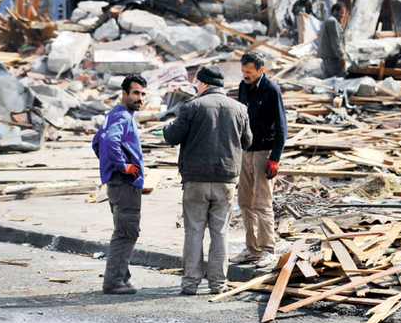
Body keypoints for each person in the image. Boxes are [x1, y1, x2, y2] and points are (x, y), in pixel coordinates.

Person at [164, 65, 252, 295]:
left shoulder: (192, 106)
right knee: (220, 232)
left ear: (203, 84)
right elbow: (248, 141)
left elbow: (172, 136)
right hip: (226, 179)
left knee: (193, 231)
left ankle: (190, 284)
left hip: (196, 179)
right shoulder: (239, 108)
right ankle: (218, 284)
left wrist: (167, 126)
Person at [230, 52, 287, 269]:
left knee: (262, 203)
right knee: (245, 201)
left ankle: (268, 250)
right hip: (246, 150)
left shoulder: (271, 90)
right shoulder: (243, 86)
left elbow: (282, 126)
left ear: (260, 70)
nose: (245, 75)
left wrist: (275, 158)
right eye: (243, 71)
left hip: (264, 151)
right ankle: (251, 249)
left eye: (249, 72)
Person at [92, 74, 147, 295]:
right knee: (126, 232)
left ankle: (122, 278)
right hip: (124, 183)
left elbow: (97, 142)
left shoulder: (115, 113)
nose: (140, 98)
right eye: (135, 93)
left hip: (117, 182)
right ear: (124, 93)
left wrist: (109, 167)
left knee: (124, 230)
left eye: (143, 94)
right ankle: (114, 282)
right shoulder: (123, 116)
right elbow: (107, 141)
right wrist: (122, 166)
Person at [318, 2, 348, 78]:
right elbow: (336, 41)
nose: (343, 15)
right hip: (332, 60)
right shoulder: (332, 22)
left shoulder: (329, 20)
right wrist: (342, 56)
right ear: (335, 11)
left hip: (328, 59)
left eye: (344, 13)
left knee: (329, 82)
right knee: (338, 81)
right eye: (341, 13)